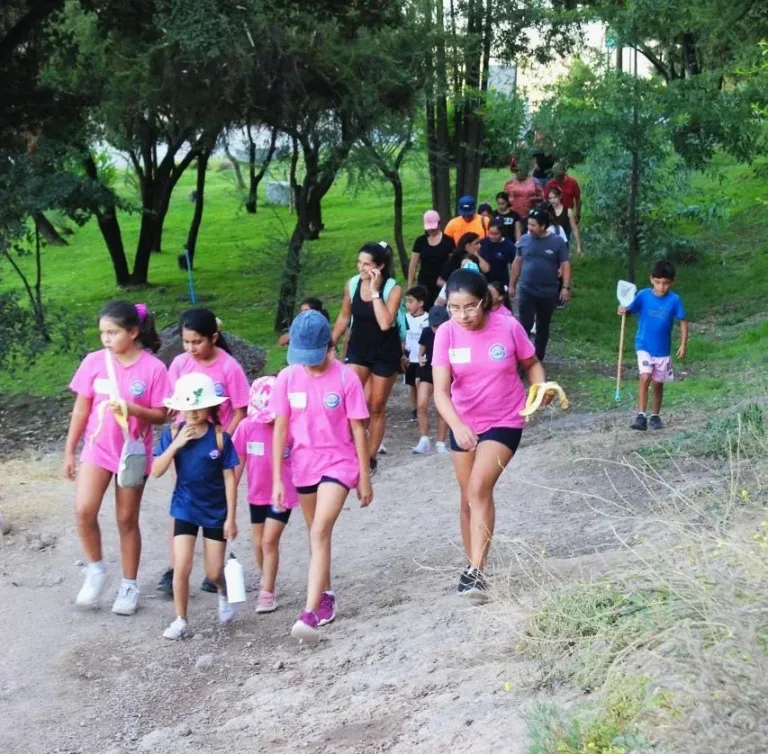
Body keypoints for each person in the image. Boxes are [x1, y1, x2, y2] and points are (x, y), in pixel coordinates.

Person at [432, 269, 551, 598]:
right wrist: (457, 426)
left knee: (479, 487)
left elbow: (531, 363)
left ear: (484, 301)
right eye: (455, 309)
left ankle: (476, 571)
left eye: (469, 307)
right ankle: (471, 562)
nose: (462, 316)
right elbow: (440, 392)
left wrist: (540, 387)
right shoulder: (445, 334)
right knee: (467, 497)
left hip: (505, 419)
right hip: (463, 420)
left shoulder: (508, 326)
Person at [271, 310, 373, 644]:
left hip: (339, 463)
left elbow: (359, 428)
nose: (309, 365)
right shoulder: (287, 378)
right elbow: (281, 430)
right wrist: (276, 479)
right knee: (318, 535)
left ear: (329, 347)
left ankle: (309, 613)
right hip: (303, 464)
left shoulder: (346, 379)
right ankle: (326, 594)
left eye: (314, 357)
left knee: (319, 530)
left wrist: (364, 475)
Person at [64, 301, 169, 615]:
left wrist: (133, 409)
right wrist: (70, 451)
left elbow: (162, 414)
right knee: (84, 510)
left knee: (126, 519)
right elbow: (81, 409)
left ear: (133, 332)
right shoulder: (94, 363)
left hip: (132, 452)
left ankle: (129, 584)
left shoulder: (153, 369)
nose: (106, 339)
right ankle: (96, 569)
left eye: (113, 332)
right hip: (97, 449)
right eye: (102, 333)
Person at [157, 308, 250, 596]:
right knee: (183, 498)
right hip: (185, 442)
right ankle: (176, 568)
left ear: (213, 337)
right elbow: (173, 405)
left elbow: (240, 410)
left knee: (215, 500)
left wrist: (221, 441)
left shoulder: (228, 367)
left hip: (217, 443)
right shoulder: (180, 364)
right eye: (186, 342)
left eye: (197, 342)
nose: (191, 348)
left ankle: (214, 569)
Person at [152, 374, 240, 640]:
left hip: (215, 509)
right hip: (185, 506)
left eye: (197, 408)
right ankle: (180, 619)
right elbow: (156, 470)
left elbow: (230, 478)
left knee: (213, 571)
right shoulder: (173, 433)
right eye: (186, 408)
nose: (191, 413)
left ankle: (223, 591)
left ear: (210, 408)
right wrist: (177, 445)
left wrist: (231, 518)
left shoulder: (220, 438)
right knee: (182, 564)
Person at [331, 242, 403, 475]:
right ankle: (346, 450)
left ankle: (369, 460)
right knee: (348, 399)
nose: (361, 268)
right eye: (359, 263)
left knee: (376, 406)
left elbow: (385, 323)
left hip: (385, 351)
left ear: (380, 266)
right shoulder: (351, 284)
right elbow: (344, 317)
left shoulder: (393, 289)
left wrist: (374, 291)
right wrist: (329, 343)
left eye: (367, 264)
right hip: (359, 348)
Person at [232, 376, 299, 613]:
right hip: (257, 494)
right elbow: (237, 463)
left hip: (282, 494)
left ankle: (267, 591)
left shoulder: (290, 428)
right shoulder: (246, 427)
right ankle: (266, 579)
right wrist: (228, 495)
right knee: (258, 542)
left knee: (269, 541)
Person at [618, 260, 688, 431]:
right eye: (657, 282)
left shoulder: (674, 300)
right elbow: (628, 309)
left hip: (662, 349)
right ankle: (641, 415)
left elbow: (683, 321)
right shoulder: (643, 295)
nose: (661, 287)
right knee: (645, 376)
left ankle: (655, 416)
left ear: (672, 282)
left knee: (658, 383)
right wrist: (622, 309)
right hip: (643, 345)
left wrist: (683, 344)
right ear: (651, 280)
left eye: (665, 283)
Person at [510, 207, 571, 361]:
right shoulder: (524, 240)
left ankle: (538, 357)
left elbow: (565, 264)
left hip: (548, 291)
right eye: (528, 225)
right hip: (526, 289)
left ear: (543, 226)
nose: (529, 228)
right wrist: (512, 284)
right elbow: (517, 263)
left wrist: (565, 287)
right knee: (525, 324)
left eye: (533, 225)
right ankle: (522, 357)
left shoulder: (557, 242)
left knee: (543, 326)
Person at [412, 305, 450, 455]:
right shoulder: (427, 332)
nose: (435, 328)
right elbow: (421, 351)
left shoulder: (451, 333)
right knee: (421, 404)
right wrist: (419, 364)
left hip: (445, 370)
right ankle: (424, 439)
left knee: (443, 407)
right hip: (427, 369)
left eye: (437, 325)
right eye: (433, 325)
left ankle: (441, 442)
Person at [408, 210, 456, 309]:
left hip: (442, 283)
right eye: (429, 229)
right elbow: (413, 264)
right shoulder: (420, 241)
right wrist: (410, 284)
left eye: (433, 228)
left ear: (439, 224)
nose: (431, 231)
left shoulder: (448, 241)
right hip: (424, 283)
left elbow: (452, 263)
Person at [403, 286, 430, 422]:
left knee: (420, 383)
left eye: (411, 301)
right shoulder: (405, 318)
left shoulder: (427, 320)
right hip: (410, 358)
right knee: (411, 385)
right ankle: (414, 409)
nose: (407, 304)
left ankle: (422, 408)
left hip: (421, 359)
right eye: (406, 301)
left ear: (420, 303)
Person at [480, 219, 517, 288]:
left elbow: (515, 266)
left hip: (501, 283)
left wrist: (512, 285)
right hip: (484, 282)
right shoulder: (482, 243)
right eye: (490, 233)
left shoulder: (509, 246)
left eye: (496, 234)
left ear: (501, 232)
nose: (492, 236)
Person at [548, 186, 583, 257]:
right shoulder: (547, 211)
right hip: (550, 242)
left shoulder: (568, 211)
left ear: (560, 197)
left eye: (554, 197)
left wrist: (578, 246)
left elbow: (574, 229)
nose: (552, 200)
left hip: (563, 242)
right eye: (550, 198)